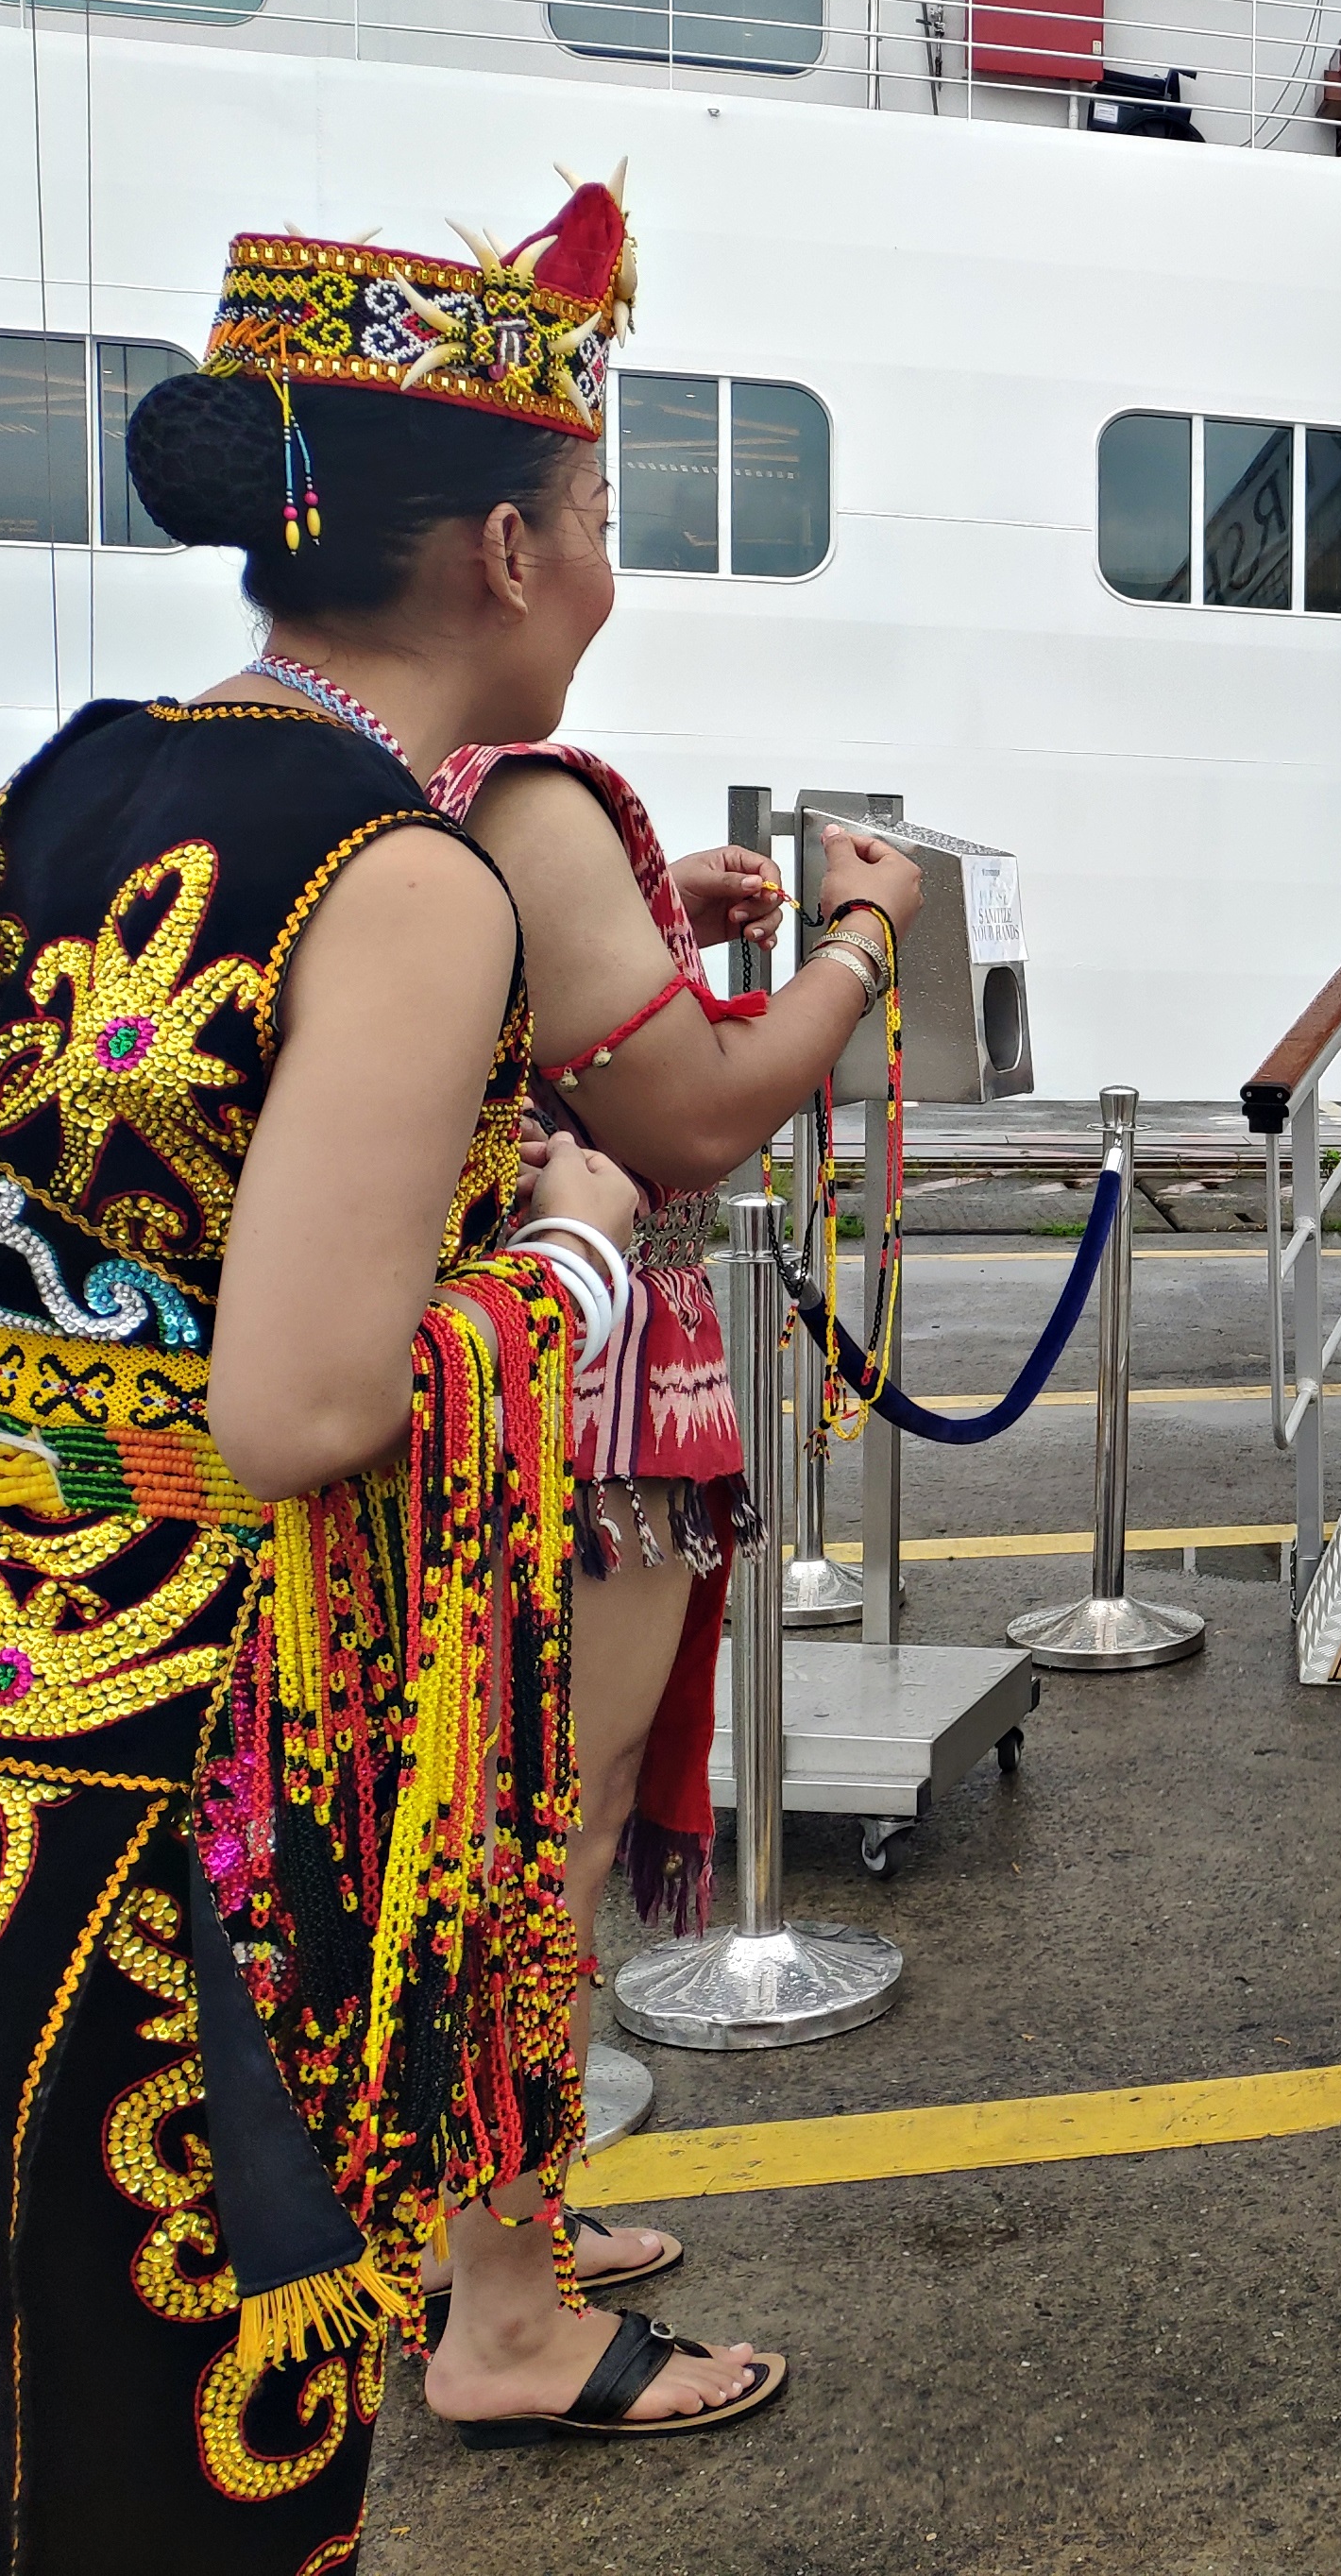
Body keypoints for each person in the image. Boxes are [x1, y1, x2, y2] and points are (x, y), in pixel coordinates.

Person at [0, 176, 764, 2569]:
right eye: (593, 517)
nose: (605, 568)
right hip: (192, 1777)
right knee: (190, 2414)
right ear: (501, 550)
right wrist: (580, 1255)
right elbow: (300, 1407)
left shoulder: (60, 776)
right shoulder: (410, 882)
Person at [415, 741, 926, 2342]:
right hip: (592, 1381)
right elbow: (697, 1118)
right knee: (550, 1825)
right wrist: (862, 933)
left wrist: (662, 922)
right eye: (586, 522)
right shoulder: (518, 781)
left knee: (509, 1817)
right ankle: (508, 2296)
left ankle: (484, 2222)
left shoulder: (392, 781)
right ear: (504, 542)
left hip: (527, 1369)